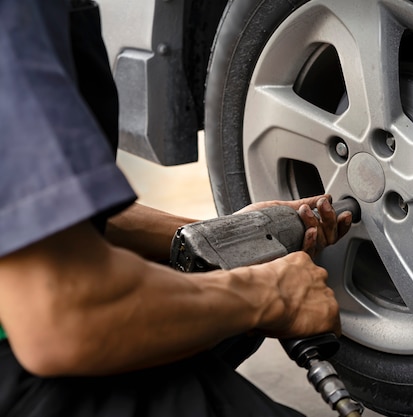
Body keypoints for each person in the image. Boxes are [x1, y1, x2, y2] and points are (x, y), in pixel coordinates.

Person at [0, 0, 353, 416]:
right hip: (31, 351)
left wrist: (224, 237)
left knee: (222, 277)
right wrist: (272, 294)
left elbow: (41, 215)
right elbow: (63, 313)